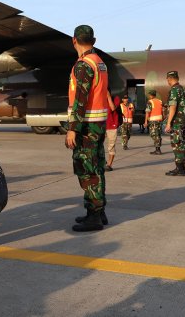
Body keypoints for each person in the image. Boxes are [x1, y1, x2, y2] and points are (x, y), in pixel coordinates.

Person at [65, 25, 109, 232]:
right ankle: (98, 212)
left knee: (87, 169)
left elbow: (80, 100)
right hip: (98, 124)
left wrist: (73, 128)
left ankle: (94, 216)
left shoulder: (83, 65)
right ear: (94, 40)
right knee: (97, 167)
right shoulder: (99, 62)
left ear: (74, 40)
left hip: (87, 126)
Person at [164, 70, 185, 176]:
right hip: (182, 120)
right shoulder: (183, 89)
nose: (167, 82)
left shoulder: (174, 90)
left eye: (167, 80)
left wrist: (169, 123)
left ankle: (180, 169)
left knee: (177, 144)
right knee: (181, 144)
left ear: (170, 79)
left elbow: (173, 106)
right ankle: (181, 168)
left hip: (176, 121)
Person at [104, 94, 120, 171]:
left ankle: (109, 165)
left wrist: (108, 96)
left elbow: (112, 108)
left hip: (111, 126)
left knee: (111, 146)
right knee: (98, 145)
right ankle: (102, 162)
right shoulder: (100, 99)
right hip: (101, 126)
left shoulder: (115, 98)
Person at [144, 90, 163, 155]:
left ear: (151, 95)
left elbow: (147, 112)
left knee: (154, 134)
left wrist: (145, 121)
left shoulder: (150, 102)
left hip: (153, 121)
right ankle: (158, 149)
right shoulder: (160, 101)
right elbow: (163, 110)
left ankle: (158, 150)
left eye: (149, 95)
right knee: (158, 134)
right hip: (159, 120)